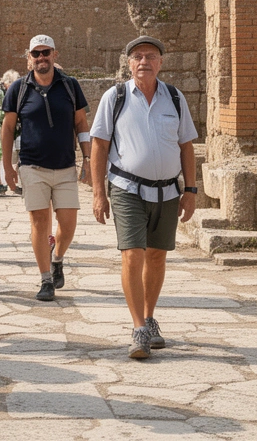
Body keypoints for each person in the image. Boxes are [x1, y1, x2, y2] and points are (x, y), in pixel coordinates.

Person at [90, 36, 198, 359]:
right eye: (137, 56)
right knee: (132, 255)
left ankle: (150, 317)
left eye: (151, 56)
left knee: (156, 256)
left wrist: (190, 190)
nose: (144, 62)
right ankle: (138, 327)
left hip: (167, 191)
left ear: (161, 63)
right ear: (128, 63)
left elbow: (186, 146)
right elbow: (99, 145)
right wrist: (99, 193)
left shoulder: (175, 99)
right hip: (126, 189)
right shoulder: (116, 97)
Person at [1, 35, 91, 302]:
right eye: (36, 54)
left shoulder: (70, 86)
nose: (41, 58)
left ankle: (58, 258)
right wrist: (7, 166)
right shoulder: (18, 89)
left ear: (54, 54)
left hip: (64, 166)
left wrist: (87, 159)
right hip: (32, 165)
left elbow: (81, 124)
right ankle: (45, 279)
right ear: (29, 58)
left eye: (46, 52)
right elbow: (7, 128)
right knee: (40, 223)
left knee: (68, 222)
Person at [0, 70, 20, 197]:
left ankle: (17, 181)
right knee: (0, 157)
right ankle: (2, 184)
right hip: (0, 129)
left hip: (18, 128)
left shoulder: (19, 94)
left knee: (20, 153)